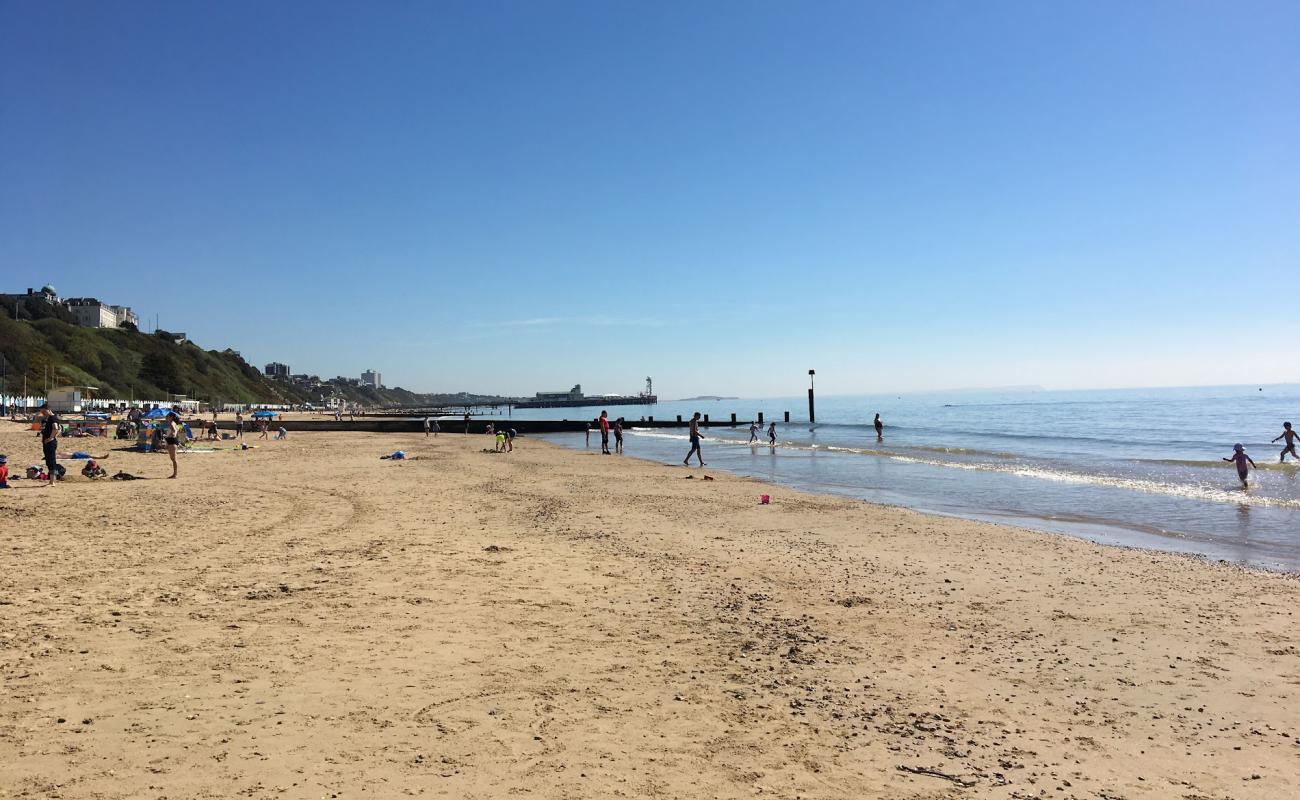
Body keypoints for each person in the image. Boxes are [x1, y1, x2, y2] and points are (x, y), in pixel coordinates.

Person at [38, 405, 59, 487]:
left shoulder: (52, 418)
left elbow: (56, 428)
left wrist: (51, 438)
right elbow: (59, 429)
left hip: (50, 442)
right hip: (47, 442)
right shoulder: (49, 418)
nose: (43, 413)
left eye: (43, 411)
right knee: (48, 460)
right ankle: (52, 481)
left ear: (48, 410)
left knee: (51, 461)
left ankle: (52, 482)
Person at [164, 412, 181, 479]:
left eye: (167, 416)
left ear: (171, 417)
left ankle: (175, 474)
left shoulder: (172, 423)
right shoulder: (174, 423)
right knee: (173, 459)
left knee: (174, 459)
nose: (166, 417)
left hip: (172, 441)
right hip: (171, 441)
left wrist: (172, 434)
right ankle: (174, 474)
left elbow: (174, 431)